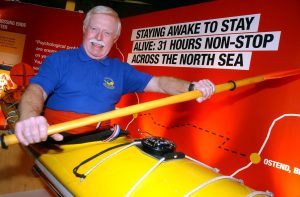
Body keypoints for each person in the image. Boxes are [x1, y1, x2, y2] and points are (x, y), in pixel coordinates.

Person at [15, 5, 215, 146]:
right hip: (59, 139)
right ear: (85, 29)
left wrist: (192, 87)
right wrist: (29, 117)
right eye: (94, 29)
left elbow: (160, 83)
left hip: (103, 139)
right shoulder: (59, 60)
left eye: (107, 33)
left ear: (115, 38)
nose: (99, 38)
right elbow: (37, 90)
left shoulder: (120, 70)